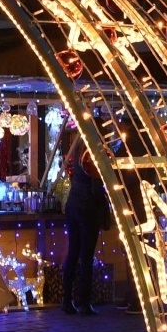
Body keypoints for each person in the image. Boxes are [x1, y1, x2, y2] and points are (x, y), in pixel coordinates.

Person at [61, 133, 111, 314]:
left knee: (73, 253)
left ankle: (67, 299)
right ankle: (84, 301)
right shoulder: (94, 154)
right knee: (87, 256)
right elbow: (96, 189)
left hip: (73, 205)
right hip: (88, 209)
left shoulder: (78, 150)